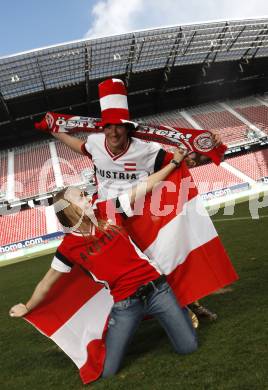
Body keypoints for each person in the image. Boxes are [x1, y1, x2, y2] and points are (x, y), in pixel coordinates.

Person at [9, 148, 198, 378]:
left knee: (188, 347)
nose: (88, 197)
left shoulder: (108, 209)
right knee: (107, 372)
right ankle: (150, 317)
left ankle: (179, 307)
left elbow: (144, 186)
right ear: (69, 210)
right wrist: (27, 307)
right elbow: (47, 283)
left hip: (157, 289)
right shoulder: (68, 248)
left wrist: (174, 164)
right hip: (126, 305)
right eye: (80, 196)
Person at [49, 78, 219, 321]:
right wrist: (53, 127)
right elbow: (73, 142)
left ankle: (189, 306)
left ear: (128, 127)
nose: (114, 132)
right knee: (98, 269)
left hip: (141, 215)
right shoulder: (95, 143)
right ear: (103, 128)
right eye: (108, 126)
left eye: (119, 126)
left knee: (163, 261)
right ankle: (110, 318)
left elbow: (188, 161)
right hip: (107, 219)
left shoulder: (147, 150)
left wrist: (207, 148)